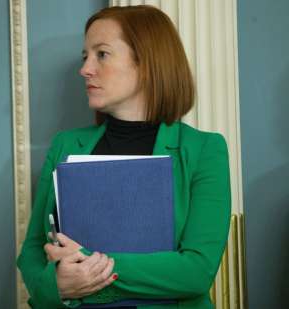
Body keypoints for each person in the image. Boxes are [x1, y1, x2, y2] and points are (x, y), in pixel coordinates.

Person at [17, 5, 231, 309]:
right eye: (85, 57)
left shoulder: (204, 150)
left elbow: (196, 271)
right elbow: (33, 251)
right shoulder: (65, 145)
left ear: (147, 62)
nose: (85, 69)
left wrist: (88, 268)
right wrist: (57, 287)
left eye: (101, 54)